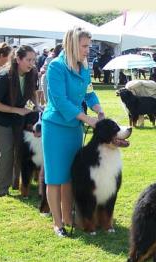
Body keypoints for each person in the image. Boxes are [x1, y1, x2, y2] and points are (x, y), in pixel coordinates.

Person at [42, 27, 105, 237]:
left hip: (74, 129)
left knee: (70, 176)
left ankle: (69, 218)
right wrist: (87, 118)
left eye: (89, 46)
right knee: (55, 177)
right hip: (56, 127)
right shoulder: (56, 67)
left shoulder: (84, 68)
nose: (89, 50)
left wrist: (99, 110)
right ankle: (57, 223)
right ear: (72, 44)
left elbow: (89, 93)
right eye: (85, 46)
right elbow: (60, 101)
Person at [0, 45, 40, 197]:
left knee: (19, 146)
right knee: (6, 149)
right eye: (28, 60)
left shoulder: (32, 73)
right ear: (18, 59)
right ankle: (1, 189)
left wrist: (34, 108)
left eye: (34, 60)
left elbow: (32, 94)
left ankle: (16, 183)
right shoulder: (3, 76)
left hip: (14, 112)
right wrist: (18, 111)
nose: (32, 63)